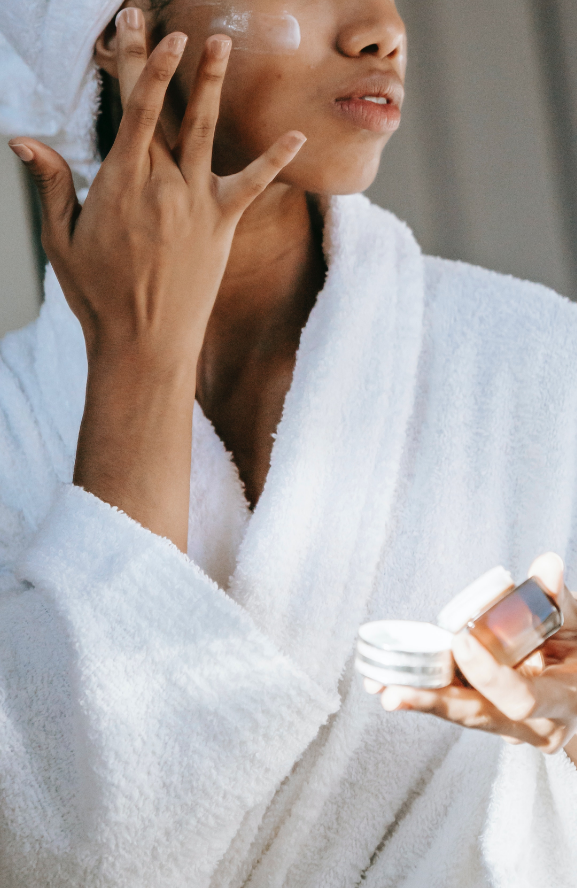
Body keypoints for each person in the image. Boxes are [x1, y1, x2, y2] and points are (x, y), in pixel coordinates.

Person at [0, 1, 576, 885]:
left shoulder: (537, 364)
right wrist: (140, 363)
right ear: (126, 31)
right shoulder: (13, 424)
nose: (381, 30)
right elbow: (75, 845)